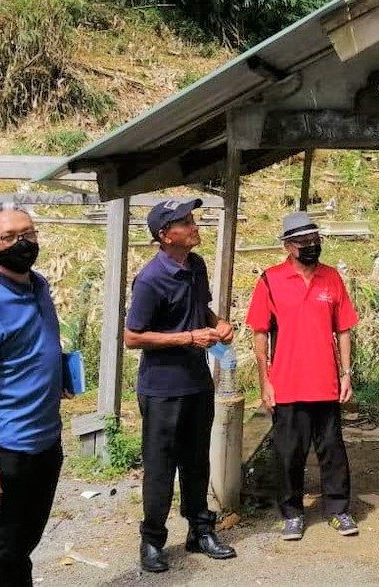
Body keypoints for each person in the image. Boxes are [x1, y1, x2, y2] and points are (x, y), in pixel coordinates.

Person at [0, 204, 70, 587]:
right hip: (9, 450)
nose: (22, 243)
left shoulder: (38, 285)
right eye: (8, 237)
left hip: (46, 441)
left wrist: (57, 374)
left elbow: (31, 346)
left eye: (28, 233)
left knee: (21, 546)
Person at [124, 198, 237, 573]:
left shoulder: (196, 266)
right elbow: (132, 337)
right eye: (185, 222)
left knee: (196, 461)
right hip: (162, 389)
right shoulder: (150, 279)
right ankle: (152, 540)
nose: (194, 226)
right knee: (160, 467)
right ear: (164, 235)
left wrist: (219, 325)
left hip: (197, 383)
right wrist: (188, 338)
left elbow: (200, 310)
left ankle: (200, 531)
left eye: (192, 219)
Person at [245, 211, 359, 541]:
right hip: (287, 384)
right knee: (288, 453)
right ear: (288, 246)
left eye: (314, 239)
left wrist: (346, 374)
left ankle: (337, 509)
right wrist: (265, 382)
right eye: (303, 241)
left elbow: (344, 330)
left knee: (332, 450)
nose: (311, 245)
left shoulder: (331, 278)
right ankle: (292, 513)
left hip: (326, 382)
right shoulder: (270, 280)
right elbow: (260, 335)